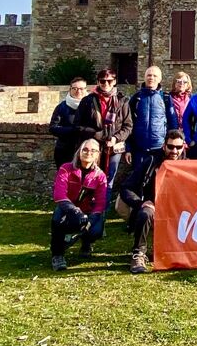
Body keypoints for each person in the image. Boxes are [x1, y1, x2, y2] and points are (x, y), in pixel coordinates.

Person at [121, 129, 186, 274]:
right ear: (164, 146)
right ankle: (138, 254)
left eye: (178, 147)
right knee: (145, 213)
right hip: (153, 206)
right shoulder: (150, 162)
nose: (174, 151)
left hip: (177, 210)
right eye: (170, 147)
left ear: (184, 147)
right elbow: (126, 187)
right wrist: (140, 203)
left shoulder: (188, 166)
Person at [50, 138, 107, 270]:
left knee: (96, 231)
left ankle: (86, 243)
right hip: (67, 209)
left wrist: (92, 219)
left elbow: (100, 203)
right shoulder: (66, 169)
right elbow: (59, 195)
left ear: (98, 154)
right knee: (57, 220)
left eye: (93, 150)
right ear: (79, 152)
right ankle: (57, 255)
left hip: (88, 211)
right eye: (85, 149)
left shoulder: (100, 176)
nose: (89, 153)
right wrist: (75, 211)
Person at [75, 67, 132, 189]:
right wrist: (95, 134)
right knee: (91, 176)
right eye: (102, 81)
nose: (106, 84)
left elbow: (128, 126)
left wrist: (116, 138)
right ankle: (88, 205)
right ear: (98, 82)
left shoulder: (122, 100)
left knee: (109, 178)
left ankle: (103, 205)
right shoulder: (87, 101)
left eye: (109, 81)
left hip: (114, 146)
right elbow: (78, 125)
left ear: (115, 82)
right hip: (93, 145)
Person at [127, 65, 170, 165]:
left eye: (155, 76)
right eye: (149, 75)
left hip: (159, 148)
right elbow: (128, 124)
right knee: (138, 179)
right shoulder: (136, 98)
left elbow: (172, 124)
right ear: (145, 77)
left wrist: (169, 146)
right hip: (139, 149)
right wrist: (128, 148)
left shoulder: (166, 98)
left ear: (160, 79)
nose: (151, 78)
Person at [50, 77, 87, 167]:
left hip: (85, 151)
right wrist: (72, 130)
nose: (78, 91)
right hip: (64, 151)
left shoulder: (91, 106)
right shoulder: (62, 107)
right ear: (70, 89)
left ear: (86, 90)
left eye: (81, 89)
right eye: (75, 88)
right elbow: (53, 128)